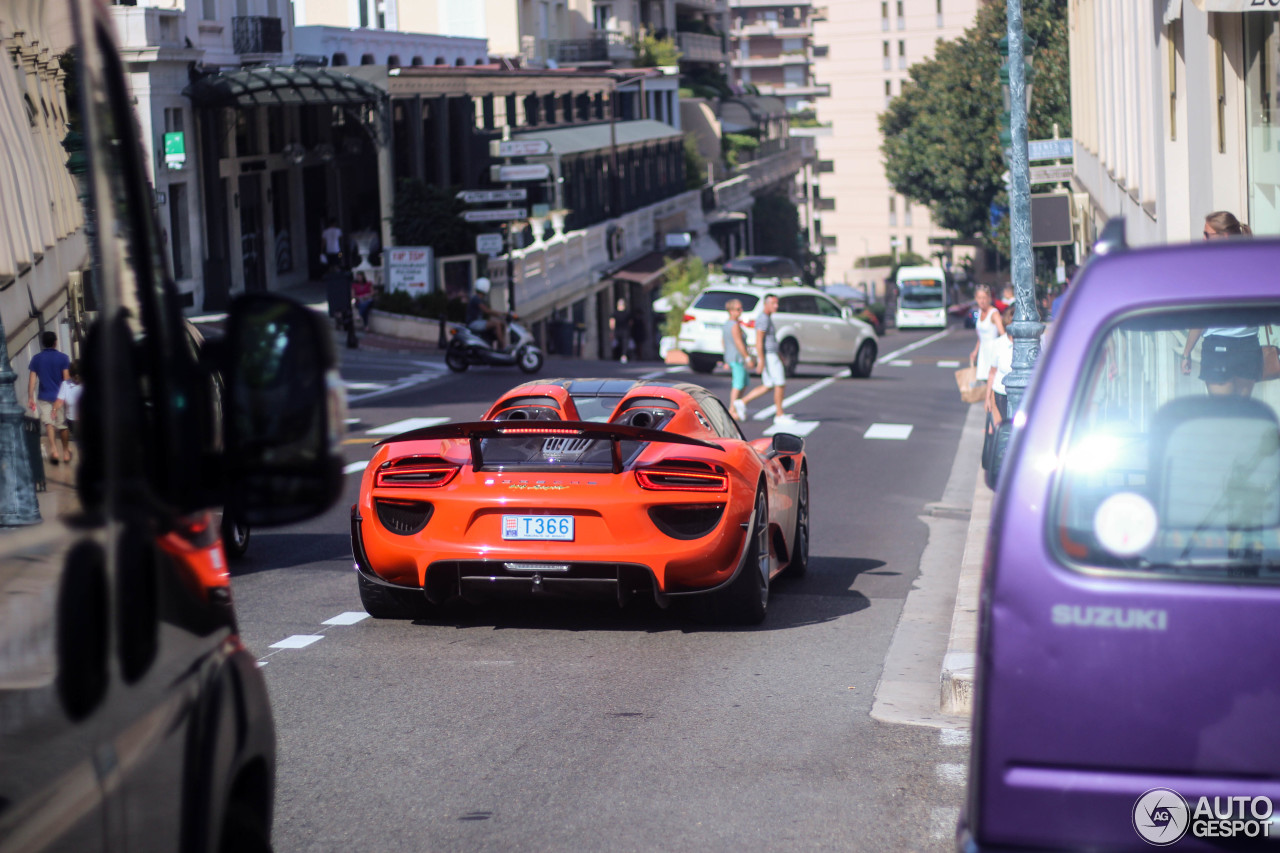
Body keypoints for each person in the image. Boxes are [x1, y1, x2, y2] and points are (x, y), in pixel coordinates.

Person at [1180, 211, 1259, 396]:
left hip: (1219, 349)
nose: (1203, 239)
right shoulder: (1254, 262)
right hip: (1249, 348)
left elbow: (1201, 317)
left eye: (1207, 235)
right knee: (1242, 414)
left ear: (1223, 237)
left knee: (1223, 415)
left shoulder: (1210, 268)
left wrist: (1186, 352)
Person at [738, 293, 791, 423]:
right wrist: (761, 360)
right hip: (769, 356)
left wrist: (780, 355)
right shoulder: (763, 319)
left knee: (768, 385)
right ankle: (779, 415)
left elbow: (770, 340)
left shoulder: (767, 318)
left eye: (777, 303)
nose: (776, 306)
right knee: (780, 383)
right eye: (773, 303)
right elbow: (759, 340)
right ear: (766, 304)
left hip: (772, 354)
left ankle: (742, 402)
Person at [26, 330, 71, 465]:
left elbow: (32, 380)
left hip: (44, 396)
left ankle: (54, 450)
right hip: (60, 397)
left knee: (49, 424)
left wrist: (30, 397)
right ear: (55, 342)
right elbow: (66, 378)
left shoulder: (36, 359)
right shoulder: (63, 358)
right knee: (62, 425)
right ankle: (66, 451)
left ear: (43, 343)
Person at [722, 299, 755, 420]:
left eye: (741, 308)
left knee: (744, 382)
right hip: (737, 357)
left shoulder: (728, 324)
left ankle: (736, 406)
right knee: (738, 383)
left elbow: (723, 341)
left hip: (733, 356)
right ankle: (732, 409)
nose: (740, 311)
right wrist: (747, 357)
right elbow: (738, 342)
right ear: (730, 311)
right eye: (737, 309)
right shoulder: (734, 325)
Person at [969, 284, 1004, 390]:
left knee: (993, 385)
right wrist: (975, 351)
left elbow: (1002, 334)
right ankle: (988, 405)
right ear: (976, 299)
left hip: (993, 352)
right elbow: (981, 336)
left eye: (984, 298)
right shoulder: (979, 313)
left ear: (989, 298)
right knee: (985, 385)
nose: (982, 301)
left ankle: (991, 406)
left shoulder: (994, 314)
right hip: (983, 353)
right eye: (979, 298)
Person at [467, 277, 508, 350]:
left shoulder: (478, 298)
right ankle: (502, 347)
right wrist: (501, 314)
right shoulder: (476, 299)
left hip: (478, 322)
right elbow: (486, 311)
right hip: (473, 323)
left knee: (502, 324)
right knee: (497, 324)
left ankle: (497, 347)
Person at [53, 360, 83, 447]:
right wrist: (54, 409)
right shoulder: (65, 384)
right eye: (75, 377)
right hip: (73, 421)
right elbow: (59, 400)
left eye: (79, 377)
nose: (77, 379)